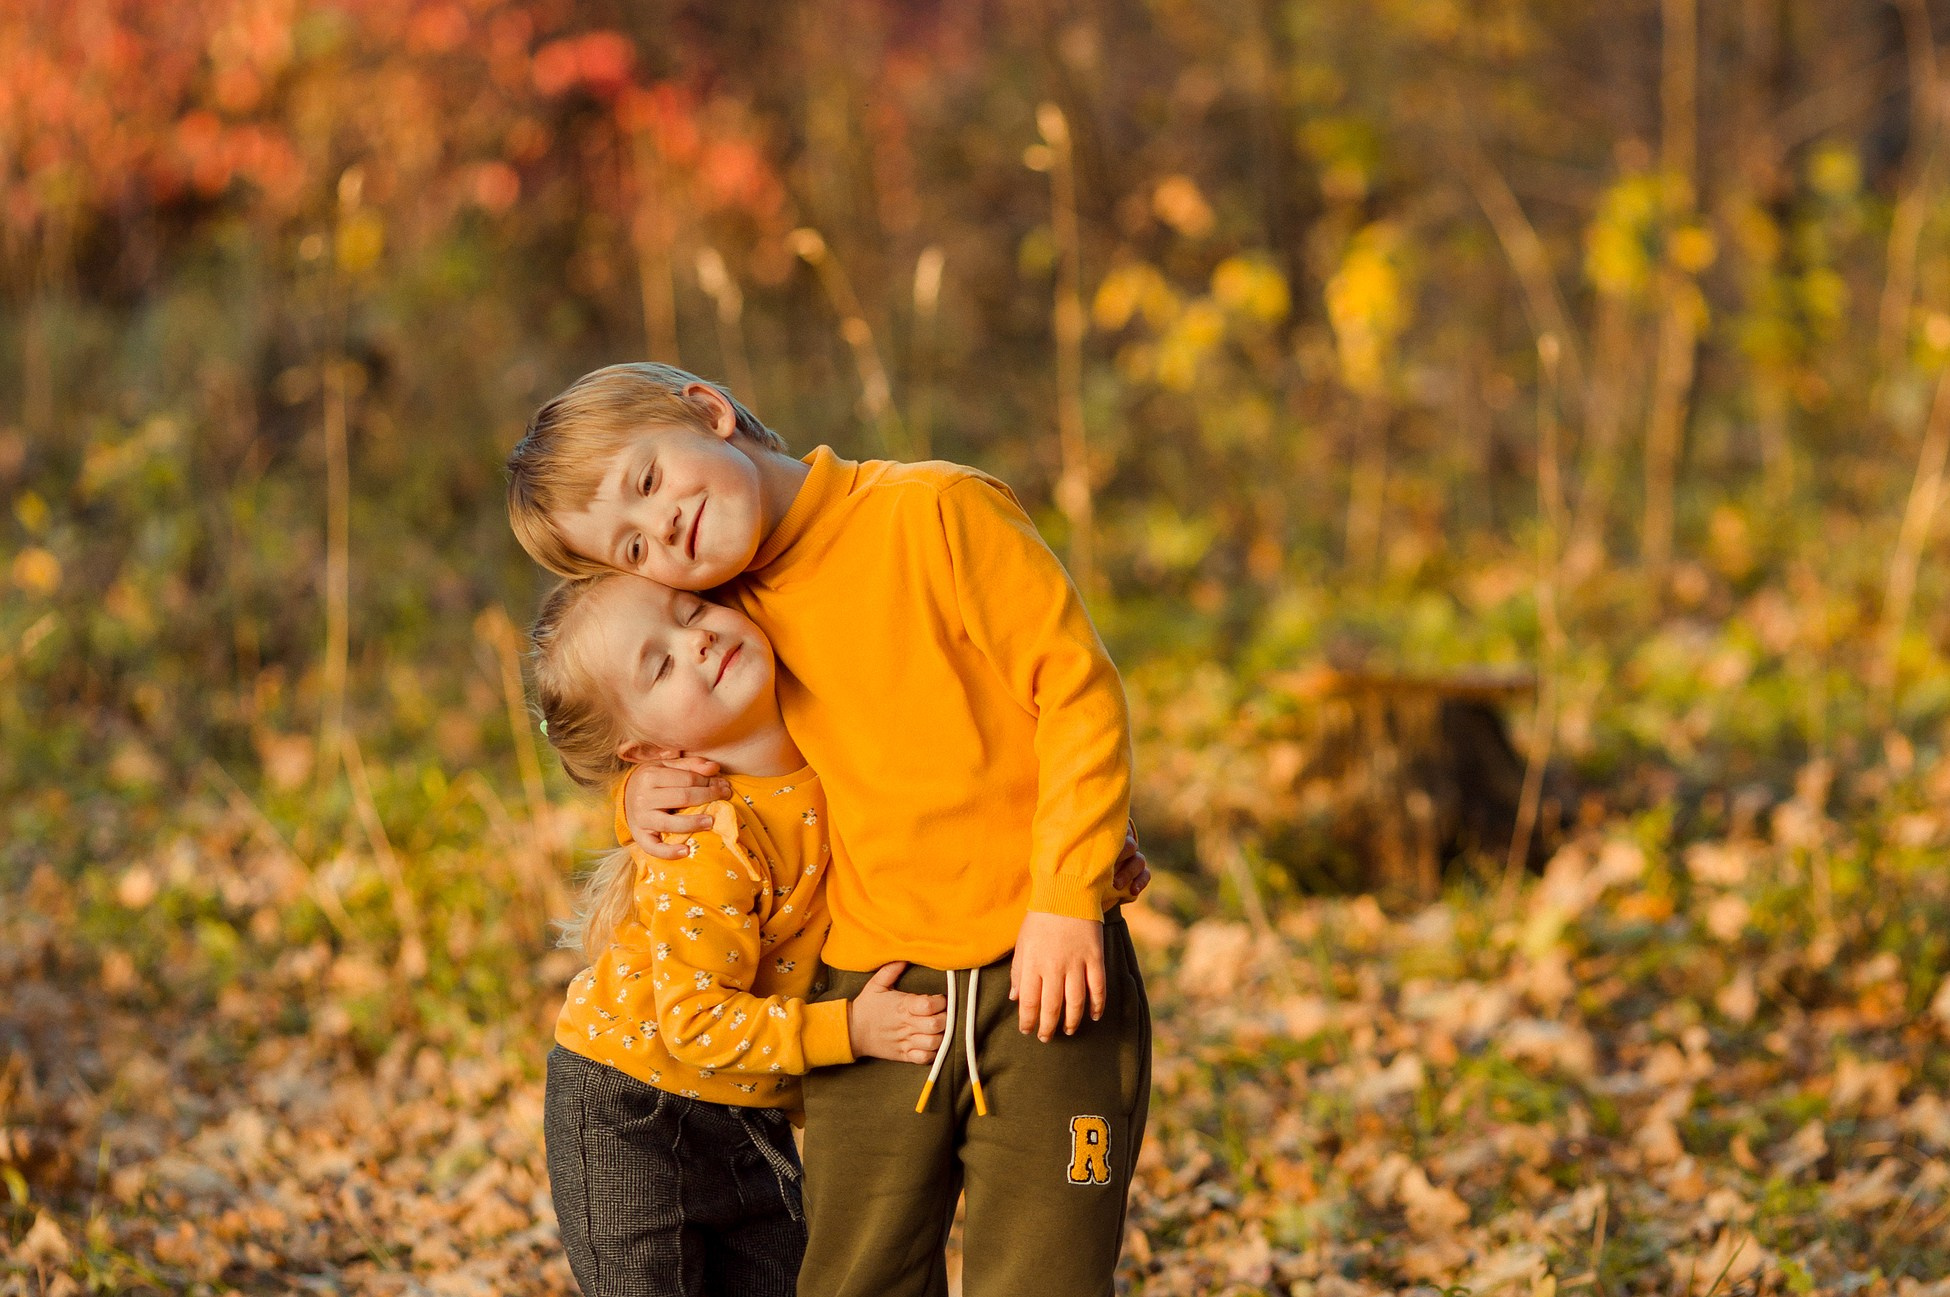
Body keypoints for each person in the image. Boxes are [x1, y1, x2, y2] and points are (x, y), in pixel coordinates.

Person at [508, 361, 1151, 1297]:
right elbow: (658, 718)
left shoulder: (935, 512)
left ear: (708, 409)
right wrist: (634, 796)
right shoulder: (724, 613)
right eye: (633, 550)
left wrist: (1068, 889)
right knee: (853, 1273)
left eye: (647, 482)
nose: (665, 532)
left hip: (1047, 962)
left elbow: (1078, 694)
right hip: (871, 983)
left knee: (1046, 1265)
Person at [531, 571, 948, 1297]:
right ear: (646, 751)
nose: (696, 639)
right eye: (659, 664)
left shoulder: (831, 748)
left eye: (691, 609)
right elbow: (695, 1023)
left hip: (745, 1104)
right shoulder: (703, 838)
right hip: (628, 1107)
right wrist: (850, 1028)